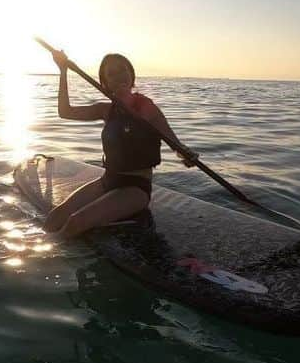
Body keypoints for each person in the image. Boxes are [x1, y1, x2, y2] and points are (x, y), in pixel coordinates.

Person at [44, 50, 198, 237]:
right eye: (112, 74)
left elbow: (177, 146)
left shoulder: (147, 108)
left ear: (131, 74)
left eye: (122, 70)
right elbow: (65, 111)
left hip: (136, 188)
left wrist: (188, 156)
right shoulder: (106, 110)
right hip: (108, 180)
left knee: (75, 222)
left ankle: (41, 253)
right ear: (105, 83)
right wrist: (63, 71)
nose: (119, 76)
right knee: (54, 218)